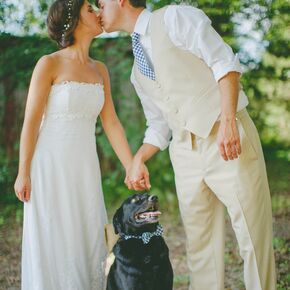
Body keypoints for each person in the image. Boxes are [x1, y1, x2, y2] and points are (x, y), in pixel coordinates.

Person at [99, 1, 277, 289]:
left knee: (253, 239)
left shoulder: (175, 17)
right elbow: (158, 126)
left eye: (100, 3)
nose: (98, 10)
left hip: (225, 134)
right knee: (200, 248)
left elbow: (224, 63)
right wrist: (138, 159)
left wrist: (229, 120)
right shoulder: (136, 72)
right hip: (183, 153)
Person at [13, 0, 133, 289]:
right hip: (50, 165)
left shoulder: (100, 69)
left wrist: (131, 166)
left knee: (85, 231)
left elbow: (112, 123)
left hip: (84, 166)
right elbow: (30, 122)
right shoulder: (49, 63)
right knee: (55, 234)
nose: (97, 13)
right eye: (90, 9)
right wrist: (23, 172)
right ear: (74, 19)